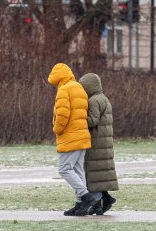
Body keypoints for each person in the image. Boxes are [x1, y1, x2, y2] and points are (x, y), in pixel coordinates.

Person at [47, 63, 99, 216]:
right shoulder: (78, 87)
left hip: (70, 137)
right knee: (77, 169)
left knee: (64, 169)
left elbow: (63, 114)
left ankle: (86, 197)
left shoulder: (64, 90)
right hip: (82, 136)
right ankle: (80, 204)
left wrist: (57, 129)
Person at [78, 73, 118, 215]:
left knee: (93, 175)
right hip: (104, 142)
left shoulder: (94, 100)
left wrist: (78, 120)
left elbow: (92, 120)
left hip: (96, 143)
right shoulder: (104, 98)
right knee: (99, 175)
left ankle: (97, 205)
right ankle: (104, 200)